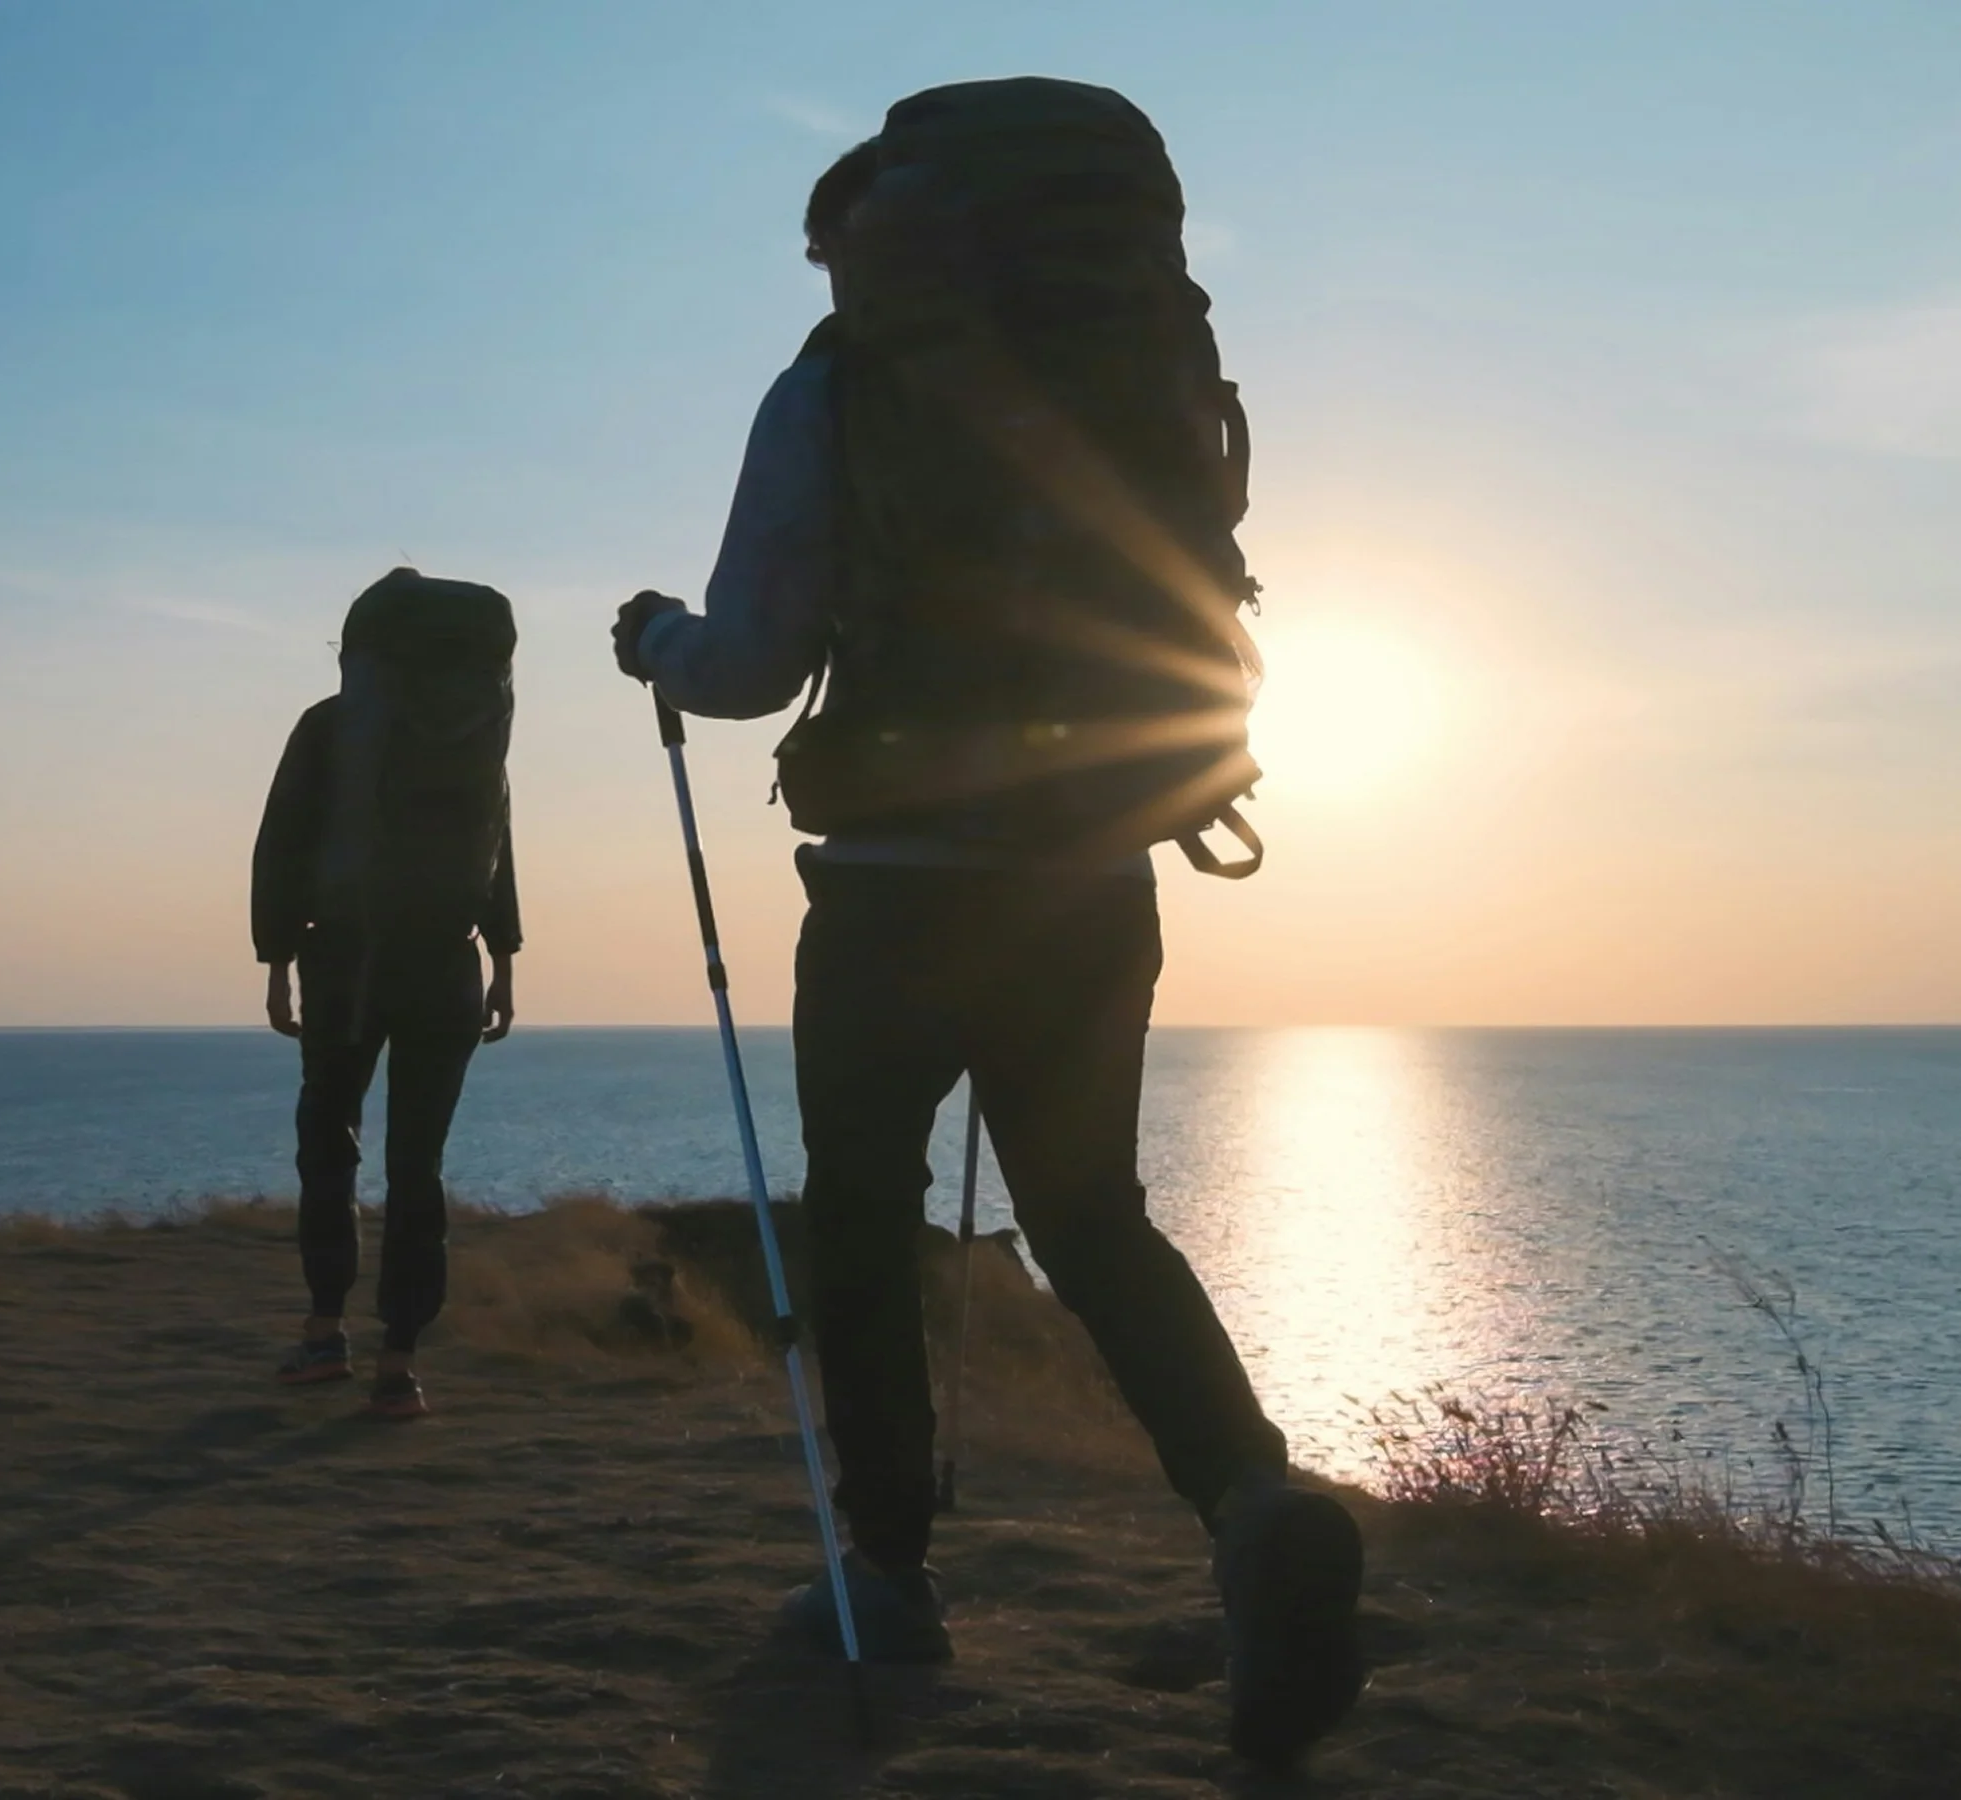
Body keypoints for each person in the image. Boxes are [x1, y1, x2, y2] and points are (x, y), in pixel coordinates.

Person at [613, 81, 1364, 1769]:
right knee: (1095, 1220)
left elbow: (745, 664)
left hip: (887, 890)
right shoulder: (1144, 375)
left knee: (865, 1225)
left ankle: (884, 1575)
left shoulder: (839, 386)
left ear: (867, 244)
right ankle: (1252, 1503)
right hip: (1095, 873)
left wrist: (653, 637)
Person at [256, 568, 521, 1421]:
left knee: (327, 1142)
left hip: (347, 961)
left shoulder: (332, 727)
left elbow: (284, 841)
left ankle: (324, 1328)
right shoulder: (479, 735)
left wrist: (275, 957)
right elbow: (497, 843)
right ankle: (399, 1364)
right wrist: (505, 960)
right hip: (448, 963)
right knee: (419, 1164)